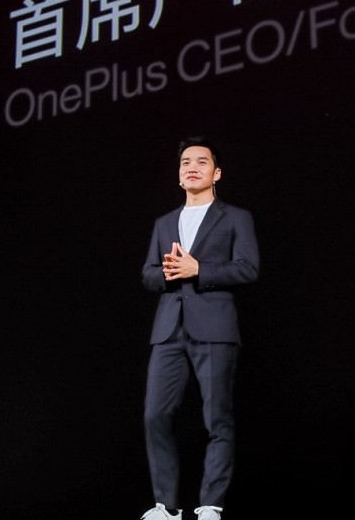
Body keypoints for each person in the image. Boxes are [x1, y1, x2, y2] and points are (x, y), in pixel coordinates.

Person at [139, 136, 261, 520]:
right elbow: (148, 274)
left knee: (217, 419)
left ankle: (211, 504)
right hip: (168, 331)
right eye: (185, 163)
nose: (192, 167)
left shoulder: (236, 217)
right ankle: (167, 506)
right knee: (155, 416)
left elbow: (248, 268)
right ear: (179, 176)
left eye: (202, 162)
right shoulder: (163, 222)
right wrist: (169, 274)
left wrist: (200, 270)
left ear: (217, 173)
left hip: (214, 328)